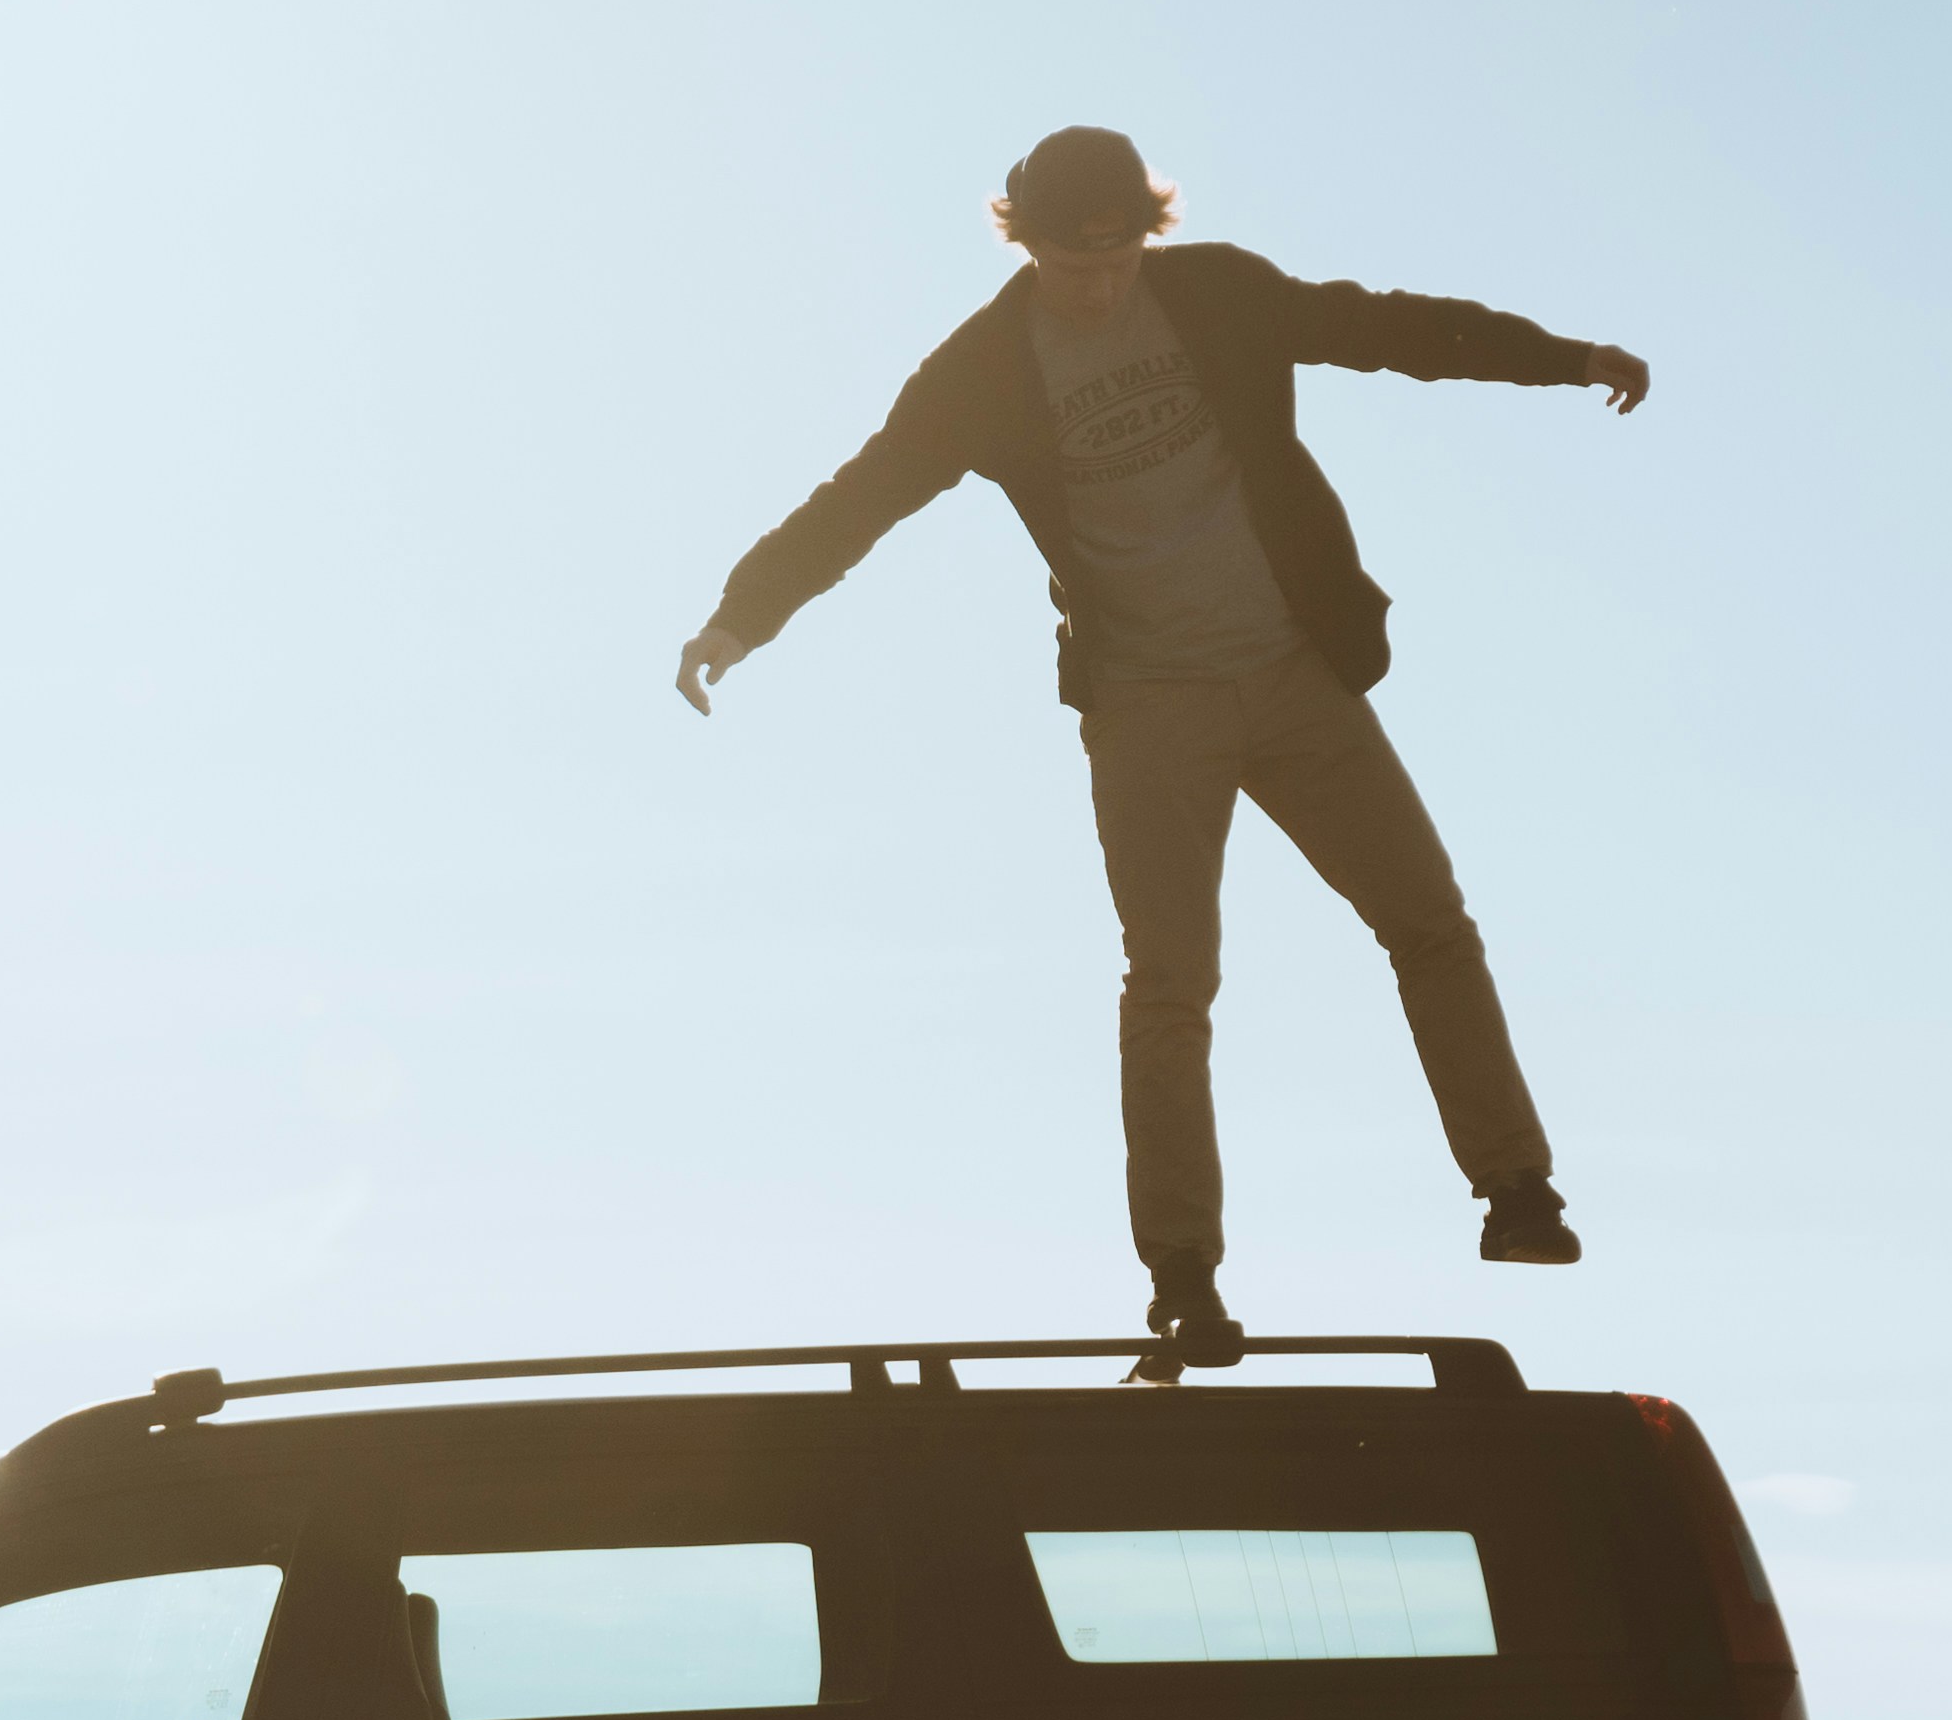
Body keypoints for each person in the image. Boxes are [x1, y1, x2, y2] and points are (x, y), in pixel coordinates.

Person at [676, 127, 1650, 1360]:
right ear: (1021, 240)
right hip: (1147, 705)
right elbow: (860, 497)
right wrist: (739, 615)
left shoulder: (1218, 293)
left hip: (1295, 673)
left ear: (1149, 230)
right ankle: (1182, 1274)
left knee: (1427, 921)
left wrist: (1561, 359)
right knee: (1170, 978)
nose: (1104, 284)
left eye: (1123, 254)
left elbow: (1389, 329)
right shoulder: (978, 373)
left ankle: (1516, 1195)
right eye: (1076, 265)